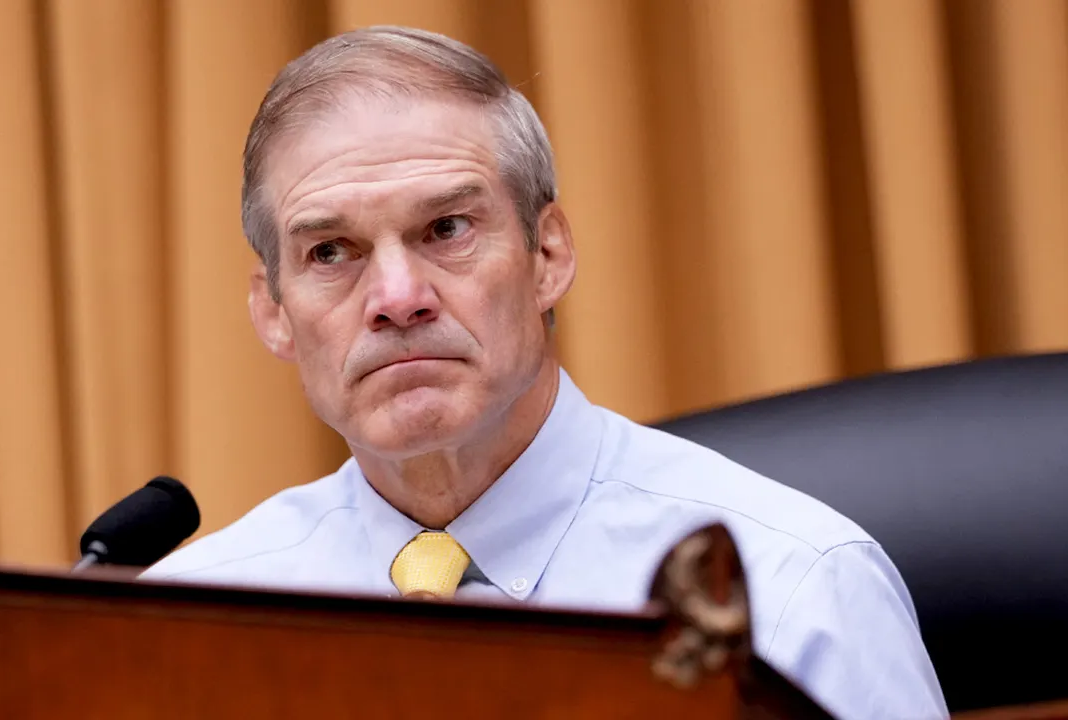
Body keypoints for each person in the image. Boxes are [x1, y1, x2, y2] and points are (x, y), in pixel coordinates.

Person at [143, 25, 946, 719]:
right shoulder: (185, 628)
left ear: (549, 254)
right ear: (275, 312)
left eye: (446, 228)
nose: (396, 298)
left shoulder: (797, 590)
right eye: (330, 252)